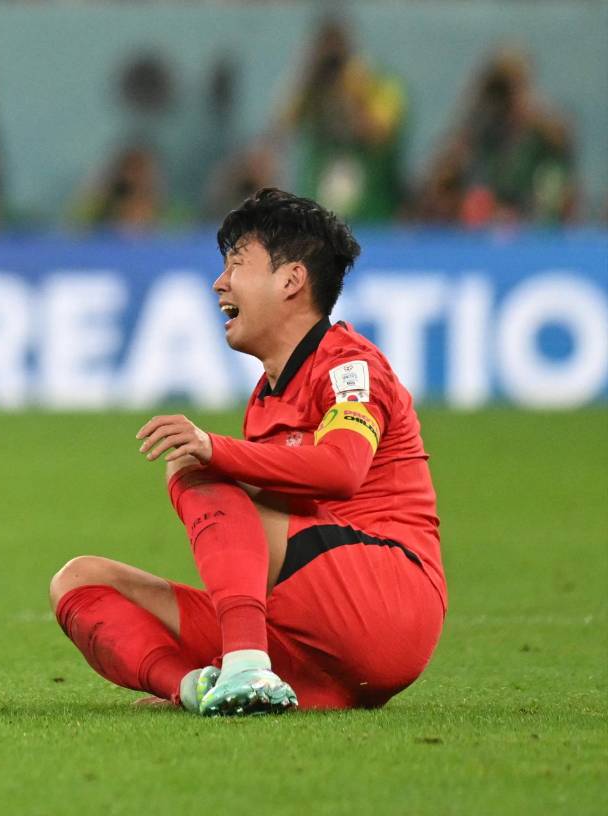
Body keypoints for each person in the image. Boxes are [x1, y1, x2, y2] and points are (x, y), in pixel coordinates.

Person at [50, 188, 446, 715]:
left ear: (291, 280)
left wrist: (213, 449)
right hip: (313, 641)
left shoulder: (349, 367)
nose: (220, 283)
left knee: (193, 463)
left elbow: (342, 469)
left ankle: (244, 664)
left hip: (387, 599)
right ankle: (197, 689)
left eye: (237, 264)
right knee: (79, 582)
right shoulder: (266, 398)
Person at [412, 49, 576, 226]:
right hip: (479, 226)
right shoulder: (476, 134)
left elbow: (561, 193)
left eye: (511, 92)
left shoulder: (545, 139)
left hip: (532, 225)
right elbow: (437, 185)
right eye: (499, 94)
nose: (504, 103)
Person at [277, 19, 407, 223]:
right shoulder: (314, 88)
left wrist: (354, 89)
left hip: (372, 205)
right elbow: (284, 124)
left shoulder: (377, 83)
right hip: (318, 204)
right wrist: (307, 77)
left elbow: (378, 134)